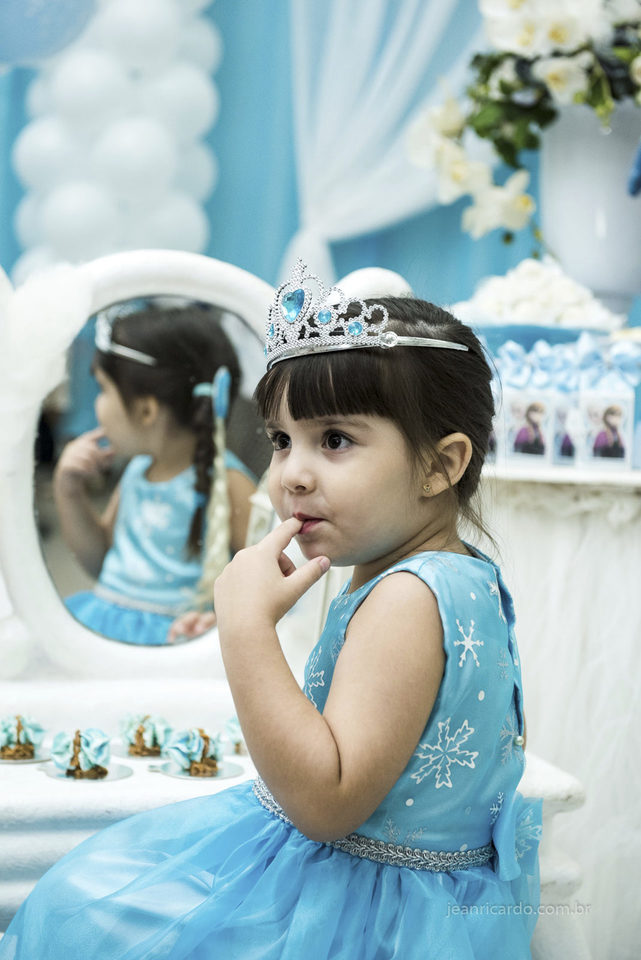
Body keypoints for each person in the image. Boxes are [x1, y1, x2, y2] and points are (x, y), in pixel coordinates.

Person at [1, 263, 541, 958]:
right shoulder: (444, 574)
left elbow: (325, 804)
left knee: (81, 908)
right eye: (282, 440)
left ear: (441, 466)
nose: (290, 474)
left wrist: (245, 627)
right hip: (389, 885)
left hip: (364, 912)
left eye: (335, 440)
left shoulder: (407, 597)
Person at [54, 302, 256, 645]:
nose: (97, 405)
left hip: (173, 642)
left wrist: (223, 620)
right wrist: (69, 489)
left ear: (147, 410)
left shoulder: (228, 482)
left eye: (103, 389)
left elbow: (266, 582)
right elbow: (99, 562)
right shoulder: (137, 471)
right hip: (105, 623)